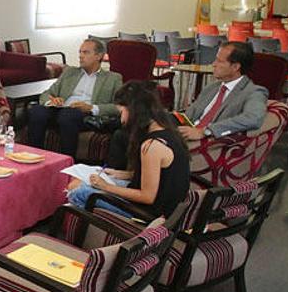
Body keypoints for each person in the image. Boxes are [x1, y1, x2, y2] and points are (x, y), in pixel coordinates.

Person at [106, 41, 268, 169]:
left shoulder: (254, 91)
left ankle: (117, 180)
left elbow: (253, 118)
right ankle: (108, 130)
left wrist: (205, 131)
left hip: (202, 137)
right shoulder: (213, 87)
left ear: (236, 66)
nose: (213, 64)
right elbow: (190, 113)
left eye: (219, 61)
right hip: (183, 126)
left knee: (125, 135)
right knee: (130, 123)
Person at [68, 80, 190, 219]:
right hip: (163, 205)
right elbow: (160, 176)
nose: (121, 119)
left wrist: (106, 187)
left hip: (150, 213)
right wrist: (120, 174)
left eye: (121, 112)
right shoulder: (167, 131)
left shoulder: (152, 146)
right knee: (78, 182)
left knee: (78, 191)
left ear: (133, 111)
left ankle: (86, 235)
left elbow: (147, 197)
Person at [28, 39, 123, 157]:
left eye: (86, 52)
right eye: (80, 52)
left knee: (68, 116)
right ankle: (33, 157)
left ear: (99, 56)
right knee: (37, 111)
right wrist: (51, 101)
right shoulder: (70, 72)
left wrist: (91, 108)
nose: (80, 56)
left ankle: (66, 162)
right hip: (60, 109)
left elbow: (119, 107)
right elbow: (47, 93)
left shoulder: (113, 78)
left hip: (85, 116)